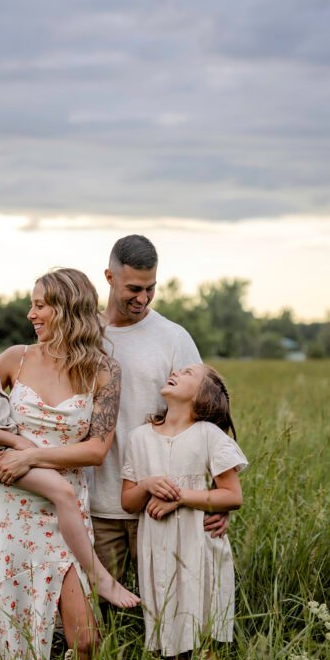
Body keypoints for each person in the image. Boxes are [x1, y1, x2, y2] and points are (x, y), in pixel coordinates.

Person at [0, 268, 138, 660]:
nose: (31, 313)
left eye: (40, 305)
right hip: (5, 512)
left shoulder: (103, 371)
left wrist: (32, 456)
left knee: (86, 639)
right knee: (16, 630)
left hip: (65, 516)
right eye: (33, 304)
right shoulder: (13, 359)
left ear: (68, 310)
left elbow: (95, 449)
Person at [89, 234, 228, 584]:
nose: (143, 298)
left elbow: (206, 417)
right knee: (100, 611)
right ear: (110, 277)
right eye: (134, 288)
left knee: (165, 606)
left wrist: (215, 498)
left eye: (151, 288)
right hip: (92, 503)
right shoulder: (83, 334)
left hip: (158, 502)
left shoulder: (173, 338)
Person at [121, 364, 247, 660]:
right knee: (168, 636)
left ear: (204, 394)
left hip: (198, 547)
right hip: (157, 549)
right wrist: (147, 484)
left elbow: (232, 496)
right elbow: (128, 501)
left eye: (189, 373)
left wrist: (181, 497)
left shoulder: (208, 435)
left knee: (201, 635)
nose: (177, 372)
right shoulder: (139, 438)